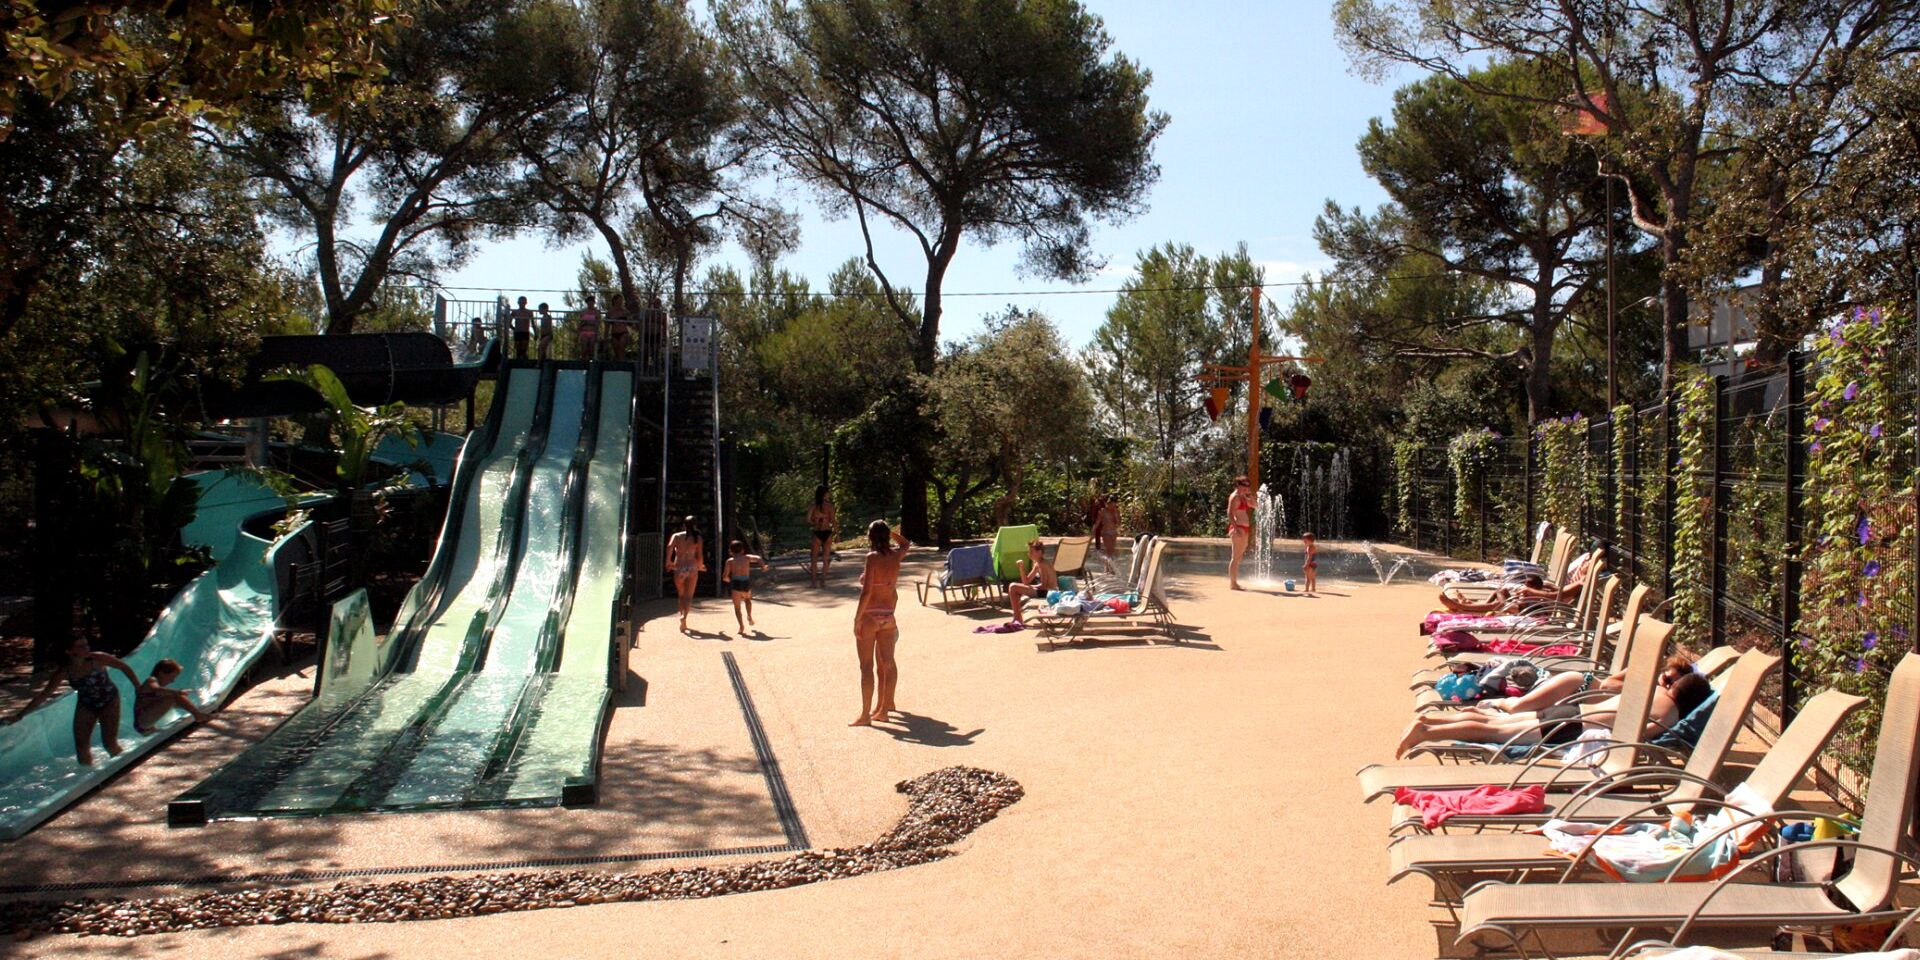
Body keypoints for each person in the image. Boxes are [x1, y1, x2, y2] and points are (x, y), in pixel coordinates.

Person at [1394, 654, 1710, 759]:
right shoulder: (1670, 711)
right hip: (1571, 726)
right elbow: (1644, 734)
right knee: (1497, 733)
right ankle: (1428, 732)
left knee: (1498, 726)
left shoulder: (1651, 690)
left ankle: (1430, 725)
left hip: (1571, 712)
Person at [8, 636, 139, 765]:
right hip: (86, 704)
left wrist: (138, 687)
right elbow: (44, 695)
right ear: (70, 652)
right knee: (81, 747)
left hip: (109, 700)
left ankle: (124, 766)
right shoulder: (65, 671)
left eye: (86, 644)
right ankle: (88, 776)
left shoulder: (98, 658)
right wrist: (20, 715)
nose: (86, 648)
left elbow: (124, 667)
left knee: (109, 744)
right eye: (81, 646)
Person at [852, 520, 911, 726]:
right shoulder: (895, 556)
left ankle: (865, 715)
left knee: (866, 667)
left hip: (870, 616)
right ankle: (884, 710)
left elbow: (867, 591)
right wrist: (890, 533)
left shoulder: (872, 558)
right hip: (888, 616)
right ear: (886, 537)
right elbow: (906, 544)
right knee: (888, 663)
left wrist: (857, 618)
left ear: (870, 537)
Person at [133, 658, 210, 734]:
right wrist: (178, 691)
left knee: (176, 697)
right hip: (142, 722)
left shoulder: (158, 685)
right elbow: (156, 689)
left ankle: (197, 713)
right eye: (171, 677)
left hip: (145, 724)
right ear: (161, 673)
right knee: (173, 696)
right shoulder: (151, 680)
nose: (172, 681)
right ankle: (198, 715)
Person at [665, 516, 706, 633]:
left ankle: (682, 614)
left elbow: (669, 547)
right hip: (692, 567)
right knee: (689, 595)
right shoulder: (697, 538)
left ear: (684, 524)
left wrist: (668, 562)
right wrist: (700, 566)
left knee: (681, 594)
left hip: (679, 567)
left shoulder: (677, 536)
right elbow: (699, 555)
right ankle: (684, 617)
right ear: (695, 525)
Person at [1006, 538, 1058, 626]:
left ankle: (1017, 618)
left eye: (1031, 552)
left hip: (1049, 593)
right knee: (1014, 587)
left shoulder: (1043, 564)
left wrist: (1032, 587)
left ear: (1040, 552)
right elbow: (1026, 581)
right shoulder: (1037, 564)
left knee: (1013, 587)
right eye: (1029, 552)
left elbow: (1045, 586)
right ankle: (1017, 618)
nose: (1029, 554)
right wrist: (1021, 568)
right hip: (1045, 591)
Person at [724, 540, 767, 633]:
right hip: (746, 582)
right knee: (748, 600)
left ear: (730, 551)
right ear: (743, 550)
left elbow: (725, 576)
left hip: (736, 583)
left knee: (737, 607)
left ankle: (741, 626)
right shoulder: (747, 558)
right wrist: (763, 567)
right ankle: (749, 616)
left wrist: (726, 579)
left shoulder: (730, 561)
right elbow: (758, 558)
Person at [1226, 476, 1255, 591]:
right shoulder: (1235, 497)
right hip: (1239, 528)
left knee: (1239, 557)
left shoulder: (1243, 496)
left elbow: (1255, 506)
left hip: (1244, 528)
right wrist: (1236, 528)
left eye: (1248, 485)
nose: (1246, 487)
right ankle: (1233, 584)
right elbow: (1229, 513)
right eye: (1244, 485)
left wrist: (1251, 497)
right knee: (1235, 556)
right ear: (1238, 485)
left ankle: (1234, 582)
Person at [806, 485, 837, 586]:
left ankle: (814, 583)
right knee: (825, 558)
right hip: (827, 532)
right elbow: (833, 521)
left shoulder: (813, 505)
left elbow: (808, 519)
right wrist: (837, 533)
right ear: (824, 494)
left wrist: (815, 520)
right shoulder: (830, 506)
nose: (829, 494)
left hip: (817, 532)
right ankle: (823, 581)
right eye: (828, 492)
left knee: (814, 559)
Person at [607, 293, 631, 361]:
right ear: (614, 301)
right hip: (614, 333)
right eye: (619, 300)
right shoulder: (610, 312)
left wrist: (628, 317)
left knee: (621, 347)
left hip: (623, 332)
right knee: (616, 351)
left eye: (621, 300)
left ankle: (622, 365)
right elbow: (607, 325)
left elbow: (630, 323)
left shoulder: (625, 311)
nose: (620, 302)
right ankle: (618, 364)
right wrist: (605, 336)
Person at [577, 295, 601, 360]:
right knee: (584, 348)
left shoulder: (597, 312)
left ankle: (590, 363)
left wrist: (597, 332)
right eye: (589, 302)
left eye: (592, 302)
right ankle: (583, 361)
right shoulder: (583, 312)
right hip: (584, 331)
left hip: (593, 332)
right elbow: (580, 322)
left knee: (591, 348)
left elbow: (598, 323)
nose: (590, 304)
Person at [1301, 531, 1319, 596]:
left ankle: (1306, 589)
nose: (1304, 542)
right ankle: (1313, 588)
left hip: (1310, 564)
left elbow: (1309, 557)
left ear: (1311, 541)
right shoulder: (1312, 546)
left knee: (1307, 577)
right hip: (1314, 564)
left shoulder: (1310, 547)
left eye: (1305, 541)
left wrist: (1306, 565)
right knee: (1313, 577)